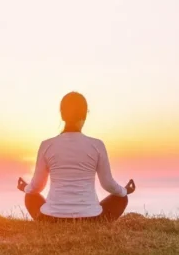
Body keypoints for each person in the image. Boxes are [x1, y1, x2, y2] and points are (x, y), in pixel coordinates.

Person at [17, 92, 136, 222]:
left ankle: (48, 220)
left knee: (29, 195)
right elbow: (107, 184)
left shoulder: (46, 145)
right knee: (121, 198)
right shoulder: (97, 145)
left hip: (51, 220)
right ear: (85, 115)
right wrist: (125, 191)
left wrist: (24, 188)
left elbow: (36, 187)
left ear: (62, 114)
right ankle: (97, 221)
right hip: (92, 220)